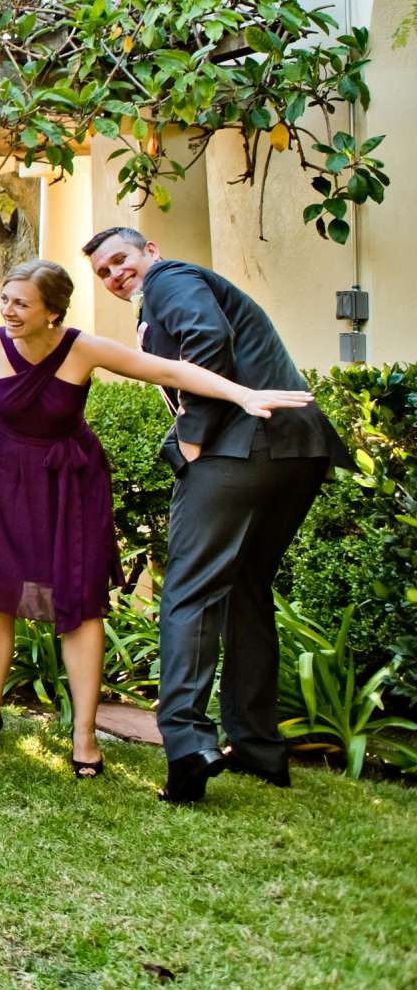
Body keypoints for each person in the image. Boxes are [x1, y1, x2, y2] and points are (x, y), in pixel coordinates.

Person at [0, 259, 315, 778]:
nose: (8, 311)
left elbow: (169, 371)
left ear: (53, 313)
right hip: (1, 482)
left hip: (70, 485)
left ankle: (84, 734)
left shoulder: (84, 348)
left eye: (21, 303)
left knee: (80, 603)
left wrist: (241, 393)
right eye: (6, 300)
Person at [82, 227, 350, 802]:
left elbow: (206, 339)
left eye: (120, 260)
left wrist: (193, 437)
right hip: (296, 451)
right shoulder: (170, 289)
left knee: (188, 593)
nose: (114, 275)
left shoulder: (170, 278)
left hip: (237, 446)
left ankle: (187, 745)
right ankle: (257, 747)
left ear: (150, 250)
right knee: (243, 588)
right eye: (102, 272)